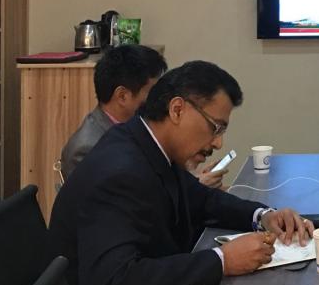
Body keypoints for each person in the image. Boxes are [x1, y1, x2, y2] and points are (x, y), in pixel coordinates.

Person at [49, 60, 313, 285]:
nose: (218, 142)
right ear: (177, 110)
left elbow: (202, 199)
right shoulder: (120, 171)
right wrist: (222, 260)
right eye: (215, 127)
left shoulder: (147, 144)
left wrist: (263, 216)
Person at [60, 44, 228, 188]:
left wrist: (193, 182)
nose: (162, 98)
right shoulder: (87, 147)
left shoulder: (141, 128)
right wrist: (196, 187)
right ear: (122, 96)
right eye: (153, 92)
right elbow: (129, 201)